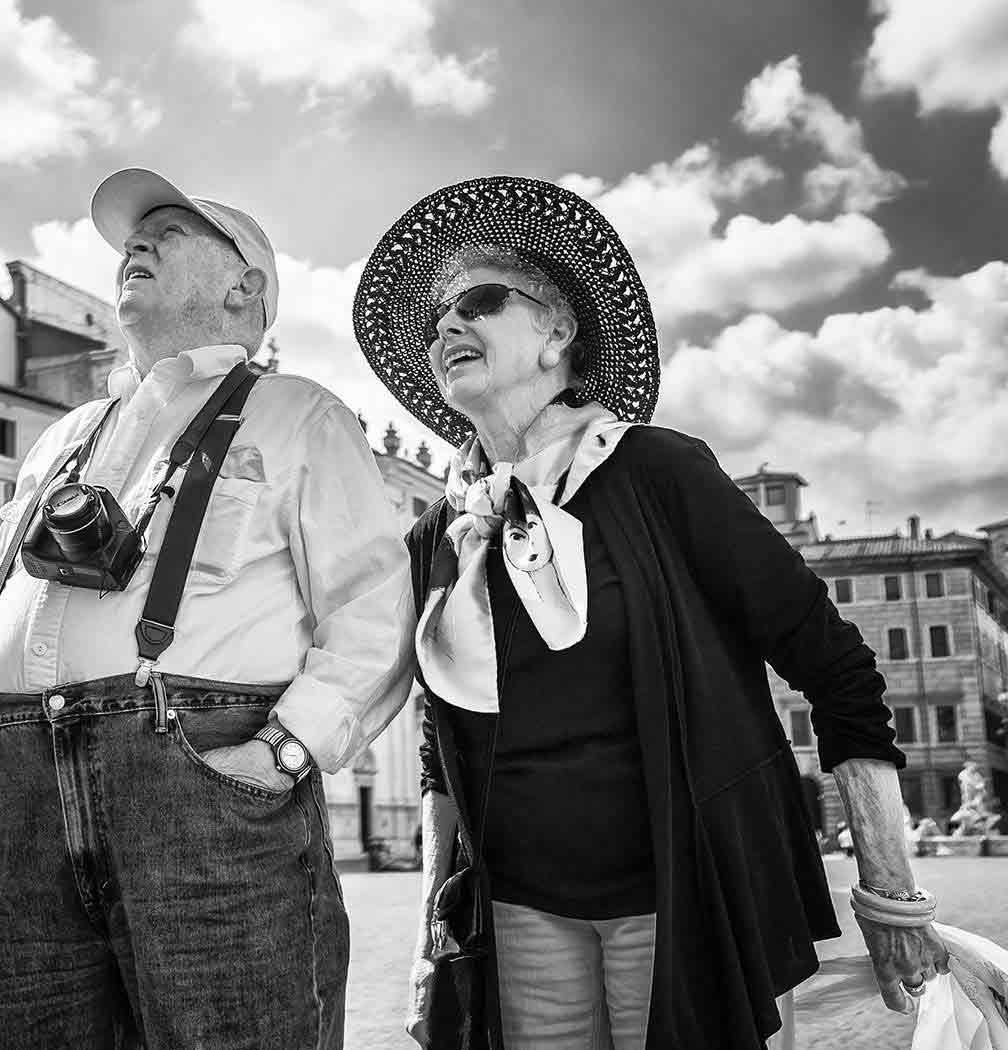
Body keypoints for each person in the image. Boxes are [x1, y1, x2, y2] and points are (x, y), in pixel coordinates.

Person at [348, 176, 949, 1049]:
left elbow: (837, 671)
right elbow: (443, 748)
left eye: (478, 300)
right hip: (516, 911)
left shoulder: (659, 473)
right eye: (437, 317)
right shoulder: (444, 528)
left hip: (685, 891)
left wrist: (890, 890)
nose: (446, 327)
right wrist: (432, 934)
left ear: (559, 335)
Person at [0, 167, 416, 1048]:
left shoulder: (298, 415)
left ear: (245, 288)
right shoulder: (64, 437)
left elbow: (374, 607)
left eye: (170, 230)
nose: (137, 245)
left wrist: (282, 752)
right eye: (133, 237)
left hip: (204, 786)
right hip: (21, 793)